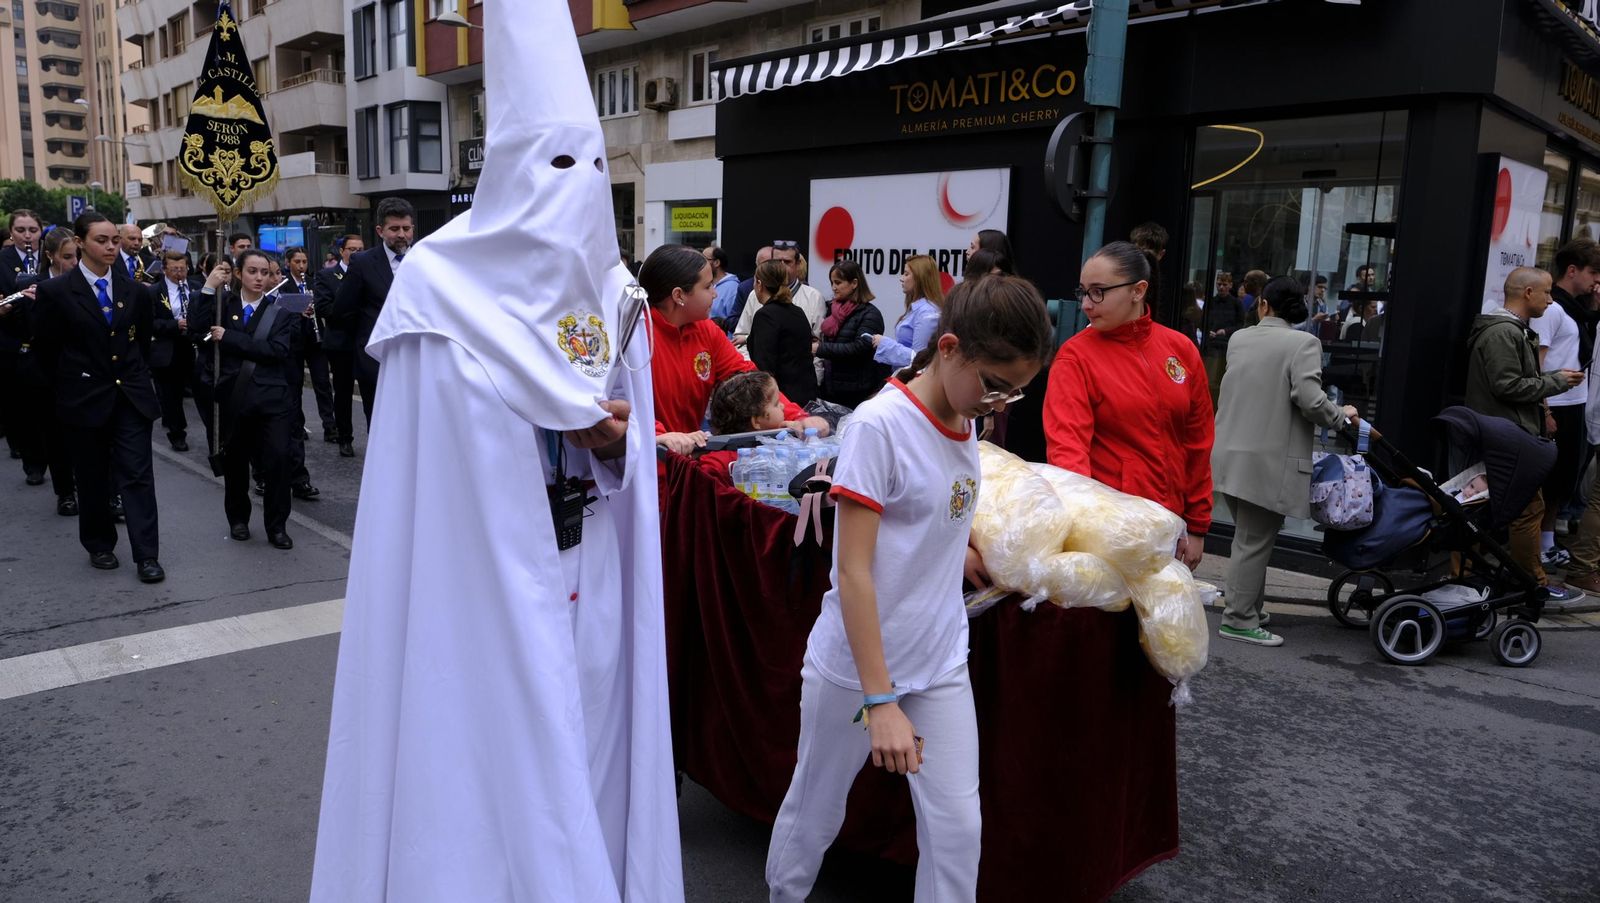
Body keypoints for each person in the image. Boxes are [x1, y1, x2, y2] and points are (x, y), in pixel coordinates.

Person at [311, 0, 683, 893]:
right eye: (557, 162)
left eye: (591, 165)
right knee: (490, 773)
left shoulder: (612, 288)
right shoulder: (440, 288)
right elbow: (435, 471)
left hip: (589, 576)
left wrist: (608, 442)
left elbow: (632, 438)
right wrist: (546, 418)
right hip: (481, 594)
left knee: (590, 752)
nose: (577, 183)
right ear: (512, 169)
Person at [766, 275, 1052, 903]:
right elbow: (854, 570)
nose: (1000, 403)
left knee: (957, 830)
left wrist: (962, 547)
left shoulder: (964, 415)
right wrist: (880, 699)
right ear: (948, 348)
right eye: (995, 385)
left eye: (1017, 392)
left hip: (941, 656)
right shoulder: (879, 427)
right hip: (858, 667)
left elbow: (933, 509)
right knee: (816, 810)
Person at [1044, 241, 1214, 569]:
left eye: (1099, 292)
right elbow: (1068, 455)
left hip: (1170, 527)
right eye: (1083, 292)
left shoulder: (1180, 349)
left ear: (1138, 291)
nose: (1087, 305)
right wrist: (1089, 530)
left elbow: (1198, 445)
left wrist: (1197, 525)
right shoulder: (1075, 357)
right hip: (1109, 533)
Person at [1212, 276, 1358, 646]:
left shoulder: (1241, 338)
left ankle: (1250, 607)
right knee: (1254, 541)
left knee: (1248, 538)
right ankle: (1240, 619)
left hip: (1229, 452)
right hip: (1269, 460)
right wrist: (1342, 415)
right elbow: (1309, 399)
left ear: (1263, 304)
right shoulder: (1303, 343)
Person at [29, 211, 168, 583]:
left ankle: (147, 555)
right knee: (91, 476)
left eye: (113, 240)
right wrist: (67, 387)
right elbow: (45, 349)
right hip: (83, 399)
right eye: (101, 240)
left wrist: (137, 378)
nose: (111, 246)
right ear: (79, 243)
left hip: (130, 397)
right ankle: (100, 544)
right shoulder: (56, 292)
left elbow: (141, 341)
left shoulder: (135, 289)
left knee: (138, 475)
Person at [1464, 267, 1586, 602]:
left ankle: (1471, 578)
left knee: (1483, 507)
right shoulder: (1503, 333)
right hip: (1505, 436)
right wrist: (1558, 381)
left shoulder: (1512, 330)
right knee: (1526, 509)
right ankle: (1531, 582)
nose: (1550, 299)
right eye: (1546, 292)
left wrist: (1544, 410)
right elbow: (1507, 386)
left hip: (1505, 433)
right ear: (1527, 293)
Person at [644, 244, 827, 455]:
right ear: (679, 295)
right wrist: (656, 434)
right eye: (707, 287)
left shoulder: (706, 330)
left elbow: (749, 379)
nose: (715, 294)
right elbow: (618, 403)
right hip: (646, 463)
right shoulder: (636, 335)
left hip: (686, 459)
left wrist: (798, 418)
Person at [192, 250, 300, 550]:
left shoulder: (279, 311)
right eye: (252, 271)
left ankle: (277, 526)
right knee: (235, 462)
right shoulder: (222, 305)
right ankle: (238, 519)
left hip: (271, 400)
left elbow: (276, 351)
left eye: (265, 272)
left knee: (278, 461)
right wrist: (208, 287)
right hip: (233, 397)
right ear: (238, 274)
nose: (259, 278)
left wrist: (230, 338)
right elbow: (198, 329)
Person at [1532, 239, 1600, 569]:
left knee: (1563, 480)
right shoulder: (1554, 309)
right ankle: (1537, 546)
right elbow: (1538, 364)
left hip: (1575, 402)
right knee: (1550, 478)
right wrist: (1544, 409)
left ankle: (1547, 542)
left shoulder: (1578, 310)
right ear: (1572, 270)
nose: (1595, 281)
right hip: (1556, 402)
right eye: (1592, 273)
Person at [6, 227, 78, 514]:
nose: (73, 263)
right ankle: (65, 492)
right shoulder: (33, 286)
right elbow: (29, 332)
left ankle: (101, 492)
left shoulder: (83, 283)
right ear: (50, 256)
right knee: (55, 434)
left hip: (81, 370)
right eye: (67, 257)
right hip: (47, 372)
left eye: (77, 256)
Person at [334, 196, 416, 429]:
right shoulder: (362, 262)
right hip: (376, 359)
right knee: (381, 425)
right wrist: (364, 341)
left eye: (406, 228)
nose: (401, 234)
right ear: (380, 230)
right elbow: (342, 310)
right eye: (394, 229)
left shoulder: (424, 259)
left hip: (416, 357)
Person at [280, 245, 330, 498]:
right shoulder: (281, 287)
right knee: (291, 401)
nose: (301, 266)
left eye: (304, 261)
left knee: (322, 383)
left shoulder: (309, 283)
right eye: (297, 261)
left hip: (312, 341)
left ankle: (300, 479)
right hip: (290, 350)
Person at [0, 210, 46, 465]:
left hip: (46, 339)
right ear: (11, 232)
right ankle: (33, 463)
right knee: (21, 407)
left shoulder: (50, 255)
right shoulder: (2, 259)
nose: (27, 236)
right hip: (14, 339)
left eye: (32, 230)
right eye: (20, 230)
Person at [813, 259, 889, 409]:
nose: (834, 288)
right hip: (831, 389)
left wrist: (820, 349)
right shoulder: (831, 310)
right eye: (832, 283)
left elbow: (860, 348)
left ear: (854, 283)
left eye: (838, 282)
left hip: (857, 393)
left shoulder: (870, 314)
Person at [316, 234, 364, 457]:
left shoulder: (369, 272)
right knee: (343, 393)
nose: (356, 253)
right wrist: (352, 313)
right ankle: (345, 436)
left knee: (371, 391)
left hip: (365, 341)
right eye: (351, 249)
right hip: (340, 342)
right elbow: (325, 308)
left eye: (360, 249)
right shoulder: (327, 275)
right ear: (342, 251)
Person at [747, 259, 818, 407]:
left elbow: (764, 365)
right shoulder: (798, 312)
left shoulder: (765, 315)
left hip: (781, 400)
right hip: (805, 394)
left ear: (759, 285)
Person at [151, 249, 202, 452]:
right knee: (171, 396)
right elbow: (150, 322)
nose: (179, 274)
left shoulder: (197, 288)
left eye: (182, 269)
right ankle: (177, 434)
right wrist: (175, 325)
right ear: (165, 270)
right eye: (174, 270)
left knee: (201, 391)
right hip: (168, 347)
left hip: (193, 345)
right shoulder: (154, 292)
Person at [698, 370, 787, 481]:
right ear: (757, 422)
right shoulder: (719, 463)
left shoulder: (785, 441)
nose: (783, 406)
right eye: (776, 404)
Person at [732, 240, 825, 343]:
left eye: (787, 262)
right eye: (777, 261)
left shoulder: (814, 297)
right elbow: (740, 336)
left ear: (798, 264)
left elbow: (817, 345)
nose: (782, 266)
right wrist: (750, 357)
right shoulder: (755, 294)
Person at [872, 254, 945, 371]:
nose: (901, 278)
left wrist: (885, 344)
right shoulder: (918, 308)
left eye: (906, 274)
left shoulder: (927, 312)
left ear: (920, 278)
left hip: (914, 383)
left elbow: (920, 359)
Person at [1200, 270, 1245, 407]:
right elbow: (1202, 321)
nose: (1221, 287)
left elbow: (1240, 324)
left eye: (1224, 284)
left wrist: (1225, 331)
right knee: (1210, 380)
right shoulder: (1211, 301)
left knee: (1223, 380)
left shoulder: (1236, 304)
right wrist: (1208, 331)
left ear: (1230, 285)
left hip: (1228, 346)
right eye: (1219, 284)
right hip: (1211, 346)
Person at [727, 245, 772, 334]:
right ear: (757, 265)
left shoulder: (787, 287)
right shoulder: (747, 288)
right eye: (764, 264)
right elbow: (732, 322)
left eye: (772, 263)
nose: (768, 268)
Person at [704, 245, 741, 334]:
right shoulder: (705, 284)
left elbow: (733, 323)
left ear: (716, 263)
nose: (701, 263)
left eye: (704, 259)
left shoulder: (732, 288)